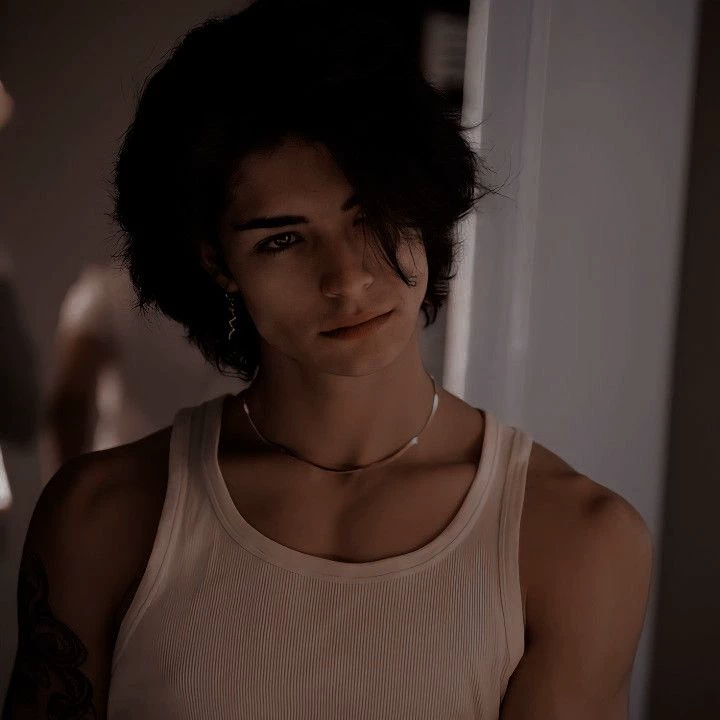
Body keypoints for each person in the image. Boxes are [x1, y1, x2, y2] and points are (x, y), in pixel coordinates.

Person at [2, 1, 653, 718]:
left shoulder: (575, 539)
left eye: (372, 215)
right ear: (218, 263)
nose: (347, 279)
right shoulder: (101, 518)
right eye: (282, 240)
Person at [41, 261, 240, 476]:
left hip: (125, 478)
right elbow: (69, 403)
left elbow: (70, 402)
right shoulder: (240, 295)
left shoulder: (107, 292)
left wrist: (67, 488)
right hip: (222, 476)